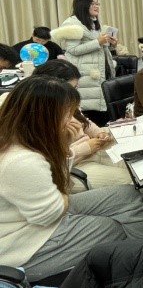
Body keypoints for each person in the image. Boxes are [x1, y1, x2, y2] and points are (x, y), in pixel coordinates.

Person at [0, 76, 143, 281]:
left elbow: (56, 184)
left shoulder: (21, 138)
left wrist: (64, 146)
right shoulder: (22, 160)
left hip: (36, 217)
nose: (73, 121)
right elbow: (52, 211)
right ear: (45, 117)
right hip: (24, 247)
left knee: (127, 195)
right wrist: (64, 146)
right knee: (113, 229)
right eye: (67, 114)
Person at [31, 60, 132, 191]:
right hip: (72, 167)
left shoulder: (65, 103)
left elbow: (85, 123)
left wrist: (99, 133)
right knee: (130, 180)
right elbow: (48, 162)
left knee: (137, 166)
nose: (73, 92)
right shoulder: (38, 117)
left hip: (90, 152)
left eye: (75, 88)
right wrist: (85, 148)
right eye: (71, 88)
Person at [51, 0, 117, 126]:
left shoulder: (93, 23)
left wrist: (111, 44)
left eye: (97, 3)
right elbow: (73, 50)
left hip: (101, 72)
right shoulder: (72, 23)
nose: (96, 6)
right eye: (92, 3)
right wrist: (98, 42)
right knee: (91, 112)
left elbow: (97, 48)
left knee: (103, 111)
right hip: (86, 75)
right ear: (82, 5)